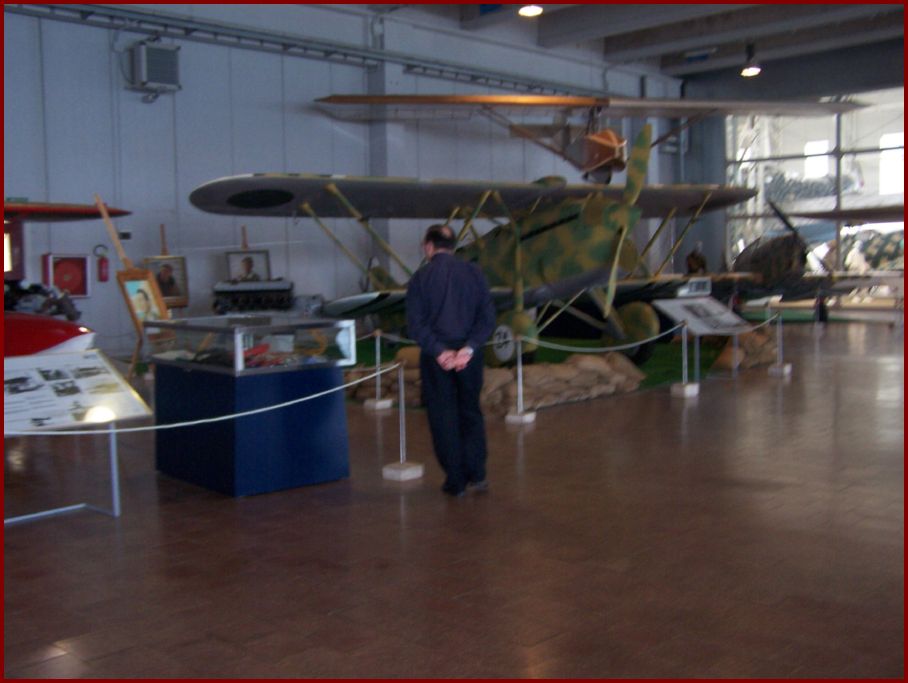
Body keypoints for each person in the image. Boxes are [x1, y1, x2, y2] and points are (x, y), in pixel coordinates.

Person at [406, 224, 496, 498]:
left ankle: (455, 480)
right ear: (453, 245)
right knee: (470, 412)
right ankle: (478, 475)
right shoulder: (475, 273)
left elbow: (415, 324)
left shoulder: (420, 278)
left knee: (443, 417)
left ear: (428, 246)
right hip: (470, 357)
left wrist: (440, 352)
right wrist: (467, 350)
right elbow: (487, 319)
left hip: (437, 359)